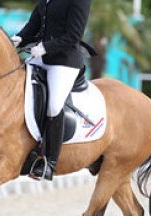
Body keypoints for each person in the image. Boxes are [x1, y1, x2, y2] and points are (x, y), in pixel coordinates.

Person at [11, 0, 92, 181]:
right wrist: (20, 38)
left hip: (64, 61)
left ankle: (50, 162)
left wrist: (46, 47)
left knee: (54, 106)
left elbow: (74, 35)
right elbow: (34, 26)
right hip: (42, 58)